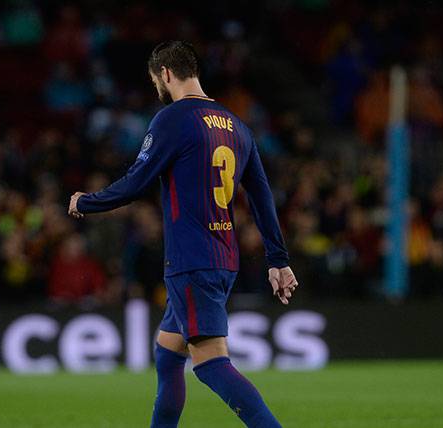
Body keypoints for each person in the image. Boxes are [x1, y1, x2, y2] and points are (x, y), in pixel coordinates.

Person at [68, 41, 297, 428]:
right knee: (168, 354)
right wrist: (278, 259)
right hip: (222, 258)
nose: (157, 87)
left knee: (211, 365)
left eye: (155, 80)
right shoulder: (237, 126)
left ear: (165, 74)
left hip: (191, 261)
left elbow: (136, 181)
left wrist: (86, 202)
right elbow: (261, 196)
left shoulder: (172, 119)